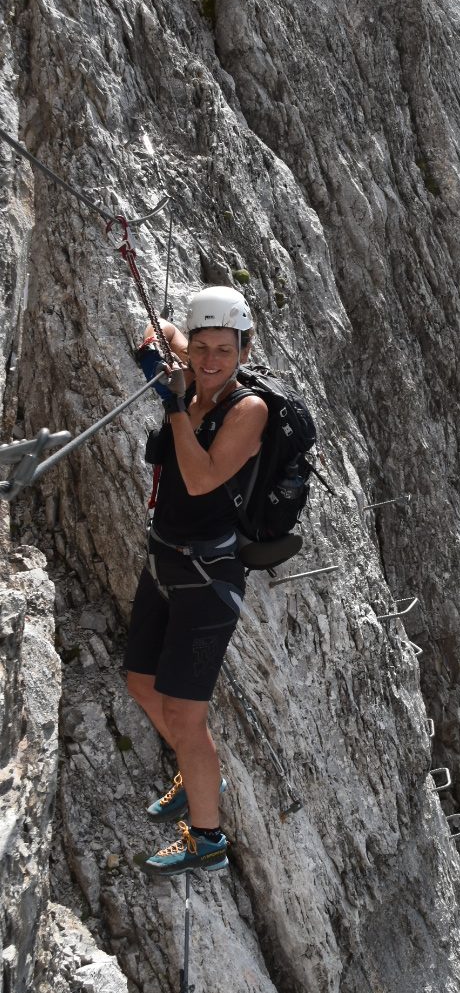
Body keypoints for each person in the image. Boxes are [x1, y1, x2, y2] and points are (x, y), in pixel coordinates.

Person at [123, 288, 267, 876]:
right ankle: (195, 770)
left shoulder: (249, 411)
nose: (210, 360)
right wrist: (161, 344)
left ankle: (207, 842)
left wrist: (177, 403)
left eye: (224, 351)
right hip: (165, 563)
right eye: (202, 347)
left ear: (244, 352)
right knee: (140, 682)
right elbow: (168, 335)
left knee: (186, 716)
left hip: (209, 580)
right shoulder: (195, 370)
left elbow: (202, 478)